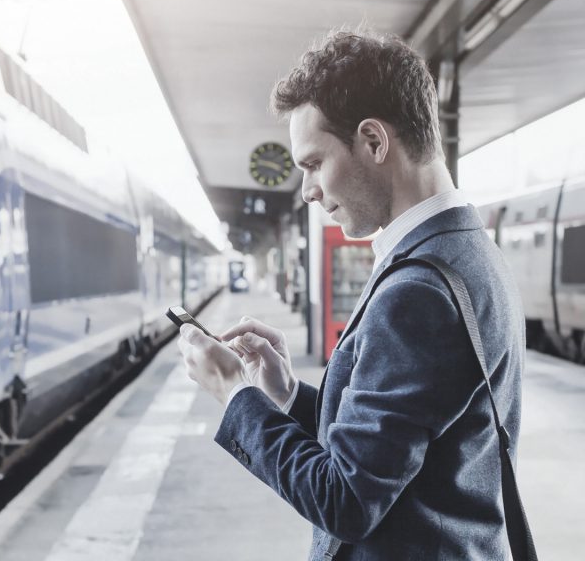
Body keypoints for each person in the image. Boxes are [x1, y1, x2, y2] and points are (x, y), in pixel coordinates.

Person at [177, 29, 525, 560]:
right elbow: (394, 447)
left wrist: (234, 392)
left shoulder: (417, 291)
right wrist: (287, 396)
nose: (307, 191)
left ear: (374, 141)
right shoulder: (467, 249)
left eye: (314, 163)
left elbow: (346, 501)